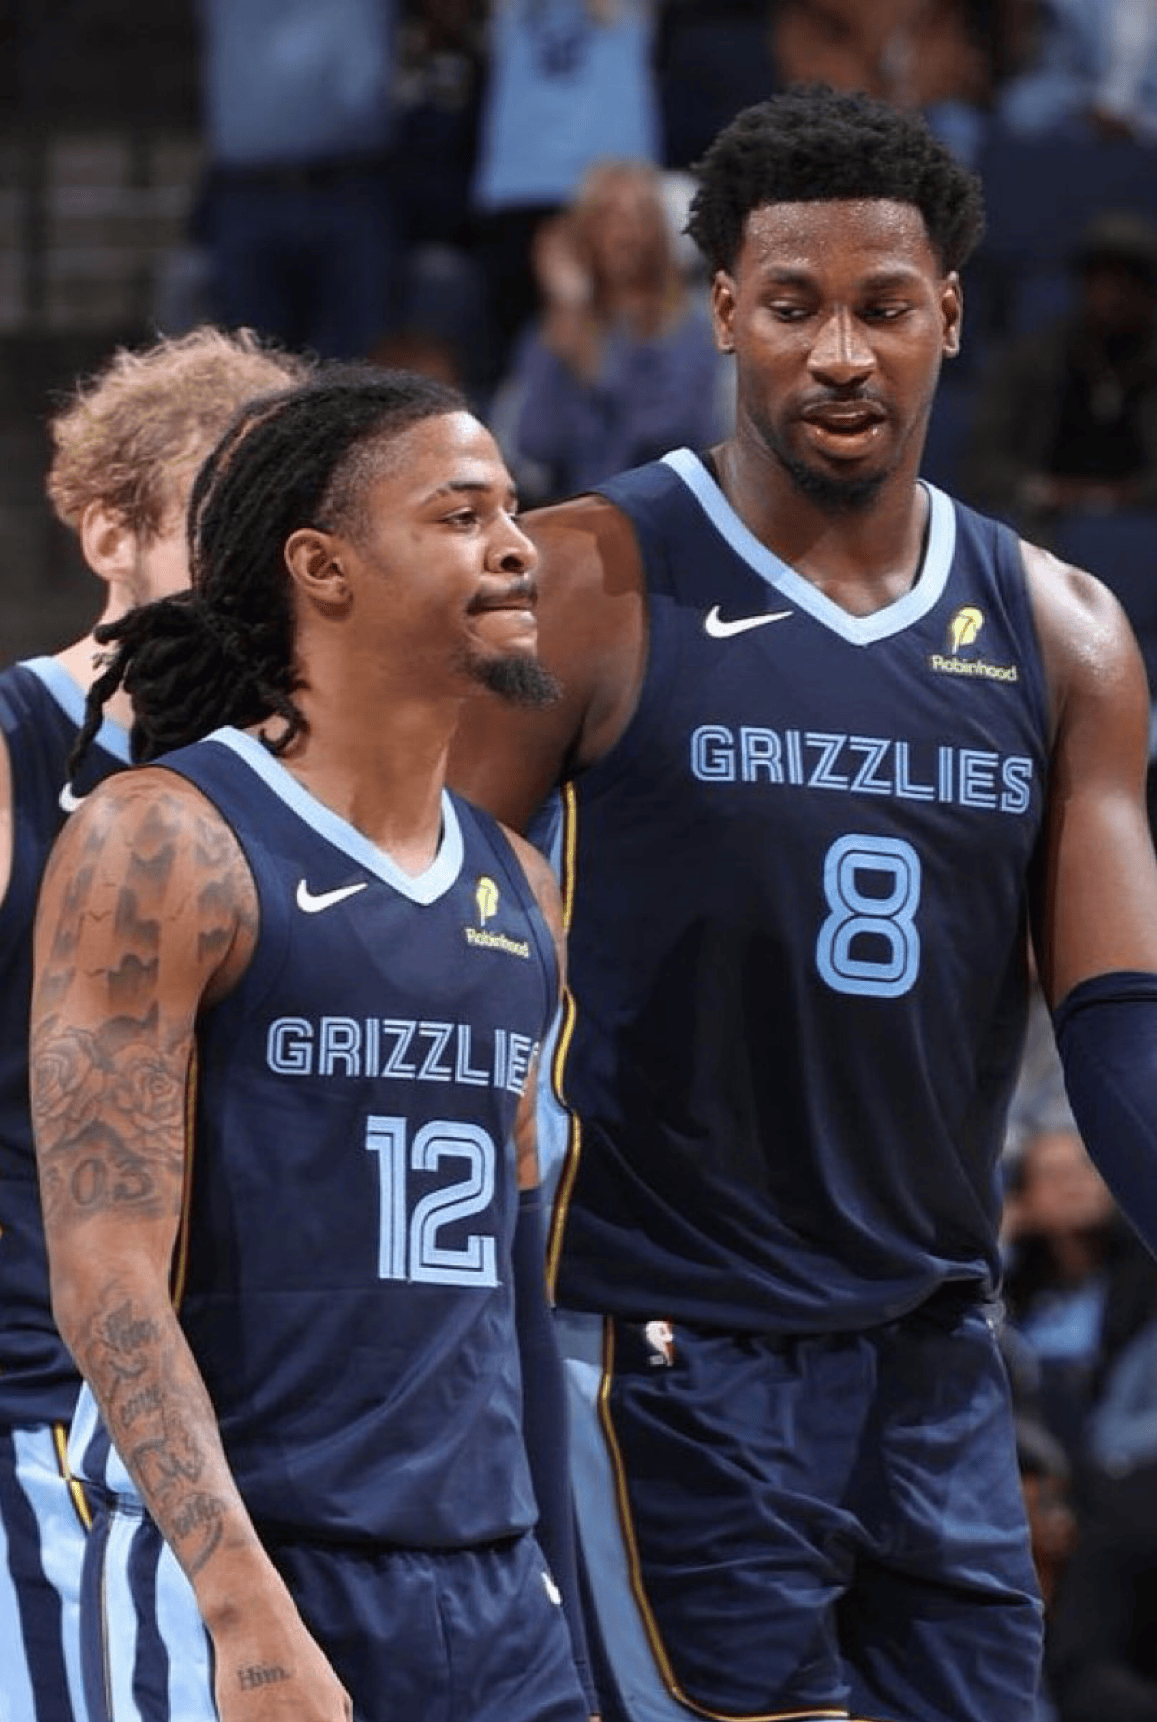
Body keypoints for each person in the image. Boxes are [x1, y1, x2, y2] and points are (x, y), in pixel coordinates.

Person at [447, 83, 1157, 1722]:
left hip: (934, 1354)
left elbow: (1118, 1027)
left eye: (882, 307)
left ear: (949, 316)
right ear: (723, 313)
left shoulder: (1064, 634)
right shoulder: (581, 583)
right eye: (791, 306)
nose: (838, 353)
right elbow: (414, 938)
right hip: (667, 1343)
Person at [28, 364, 594, 1722]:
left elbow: (510, 1288)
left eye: (512, 510)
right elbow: (105, 1270)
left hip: (493, 1585)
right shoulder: (164, 838)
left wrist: (555, 1583)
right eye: (460, 515)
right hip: (253, 1567)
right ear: (321, 566)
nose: (516, 546)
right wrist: (243, 1610)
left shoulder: (521, 886)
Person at [0, 324, 305, 1722]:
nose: (254, 565)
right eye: (216, 521)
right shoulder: (19, 748)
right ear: (108, 531)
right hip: (48, 1421)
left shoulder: (321, 784)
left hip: (280, 1426)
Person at [491, 157, 733, 506]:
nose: (624, 233)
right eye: (608, 216)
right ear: (584, 231)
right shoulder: (555, 329)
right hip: (568, 515)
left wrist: (591, 373)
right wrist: (570, 314)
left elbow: (675, 436)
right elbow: (535, 447)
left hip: (668, 514)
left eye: (638, 217)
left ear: (658, 231)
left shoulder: (693, 329)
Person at [961, 208, 1157, 540]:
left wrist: (1118, 497)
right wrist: (1044, 490)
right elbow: (982, 464)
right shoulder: (1031, 360)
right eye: (1101, 279)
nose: (1113, 296)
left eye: (1129, 282)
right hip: (1041, 527)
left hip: (1143, 532)